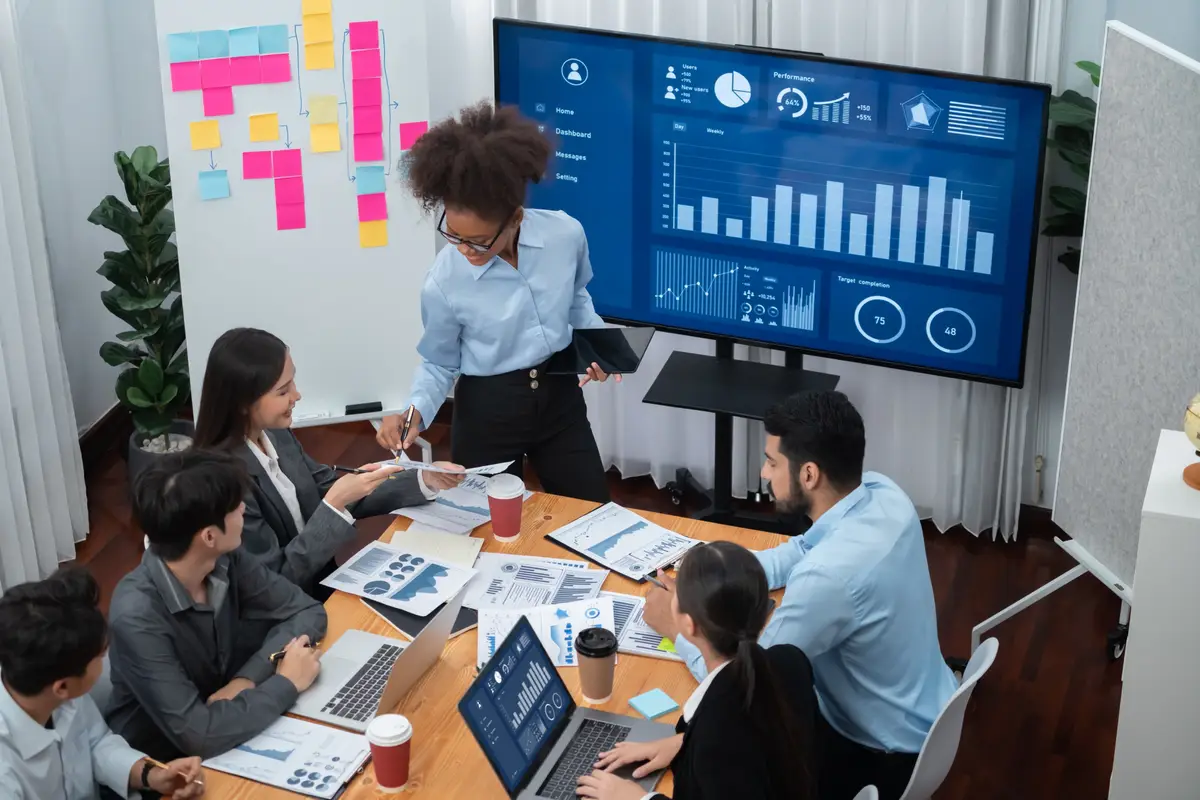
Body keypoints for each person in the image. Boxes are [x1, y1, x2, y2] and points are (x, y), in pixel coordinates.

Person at [643, 390, 958, 800]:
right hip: (925, 709)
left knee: (718, 753)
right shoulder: (883, 493)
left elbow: (748, 685)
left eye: (773, 462)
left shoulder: (828, 578)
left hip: (877, 755)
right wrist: (721, 572)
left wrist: (680, 628)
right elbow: (805, 547)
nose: (763, 472)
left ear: (808, 474)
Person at [376, 101, 618, 504]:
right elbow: (439, 362)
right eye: (453, 234)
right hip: (488, 411)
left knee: (590, 511)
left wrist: (598, 346)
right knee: (487, 527)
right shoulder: (443, 281)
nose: (464, 250)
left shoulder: (565, 235)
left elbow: (576, 299)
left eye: (479, 241)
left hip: (560, 400)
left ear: (516, 218)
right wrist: (413, 414)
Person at [194, 327, 465, 598]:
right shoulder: (223, 484)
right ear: (243, 403)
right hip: (284, 614)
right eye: (282, 391)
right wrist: (333, 506)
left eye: (293, 383)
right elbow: (273, 581)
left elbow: (326, 486)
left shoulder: (276, 433)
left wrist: (425, 478)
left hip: (323, 586)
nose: (297, 396)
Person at [105, 449, 328, 762]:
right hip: (168, 769)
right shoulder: (136, 616)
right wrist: (285, 682)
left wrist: (246, 679)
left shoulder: (222, 558)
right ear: (209, 536)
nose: (243, 510)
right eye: (235, 508)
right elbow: (200, 736)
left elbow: (306, 610)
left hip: (232, 727)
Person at [575, 542, 815, 800]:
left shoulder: (714, 738)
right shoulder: (790, 660)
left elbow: (728, 750)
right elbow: (763, 741)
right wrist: (682, 744)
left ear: (688, 625)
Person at [0, 568, 204, 799]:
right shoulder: (4, 775)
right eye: (100, 655)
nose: (106, 659)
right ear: (62, 687)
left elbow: (95, 742)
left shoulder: (47, 681)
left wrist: (152, 775)